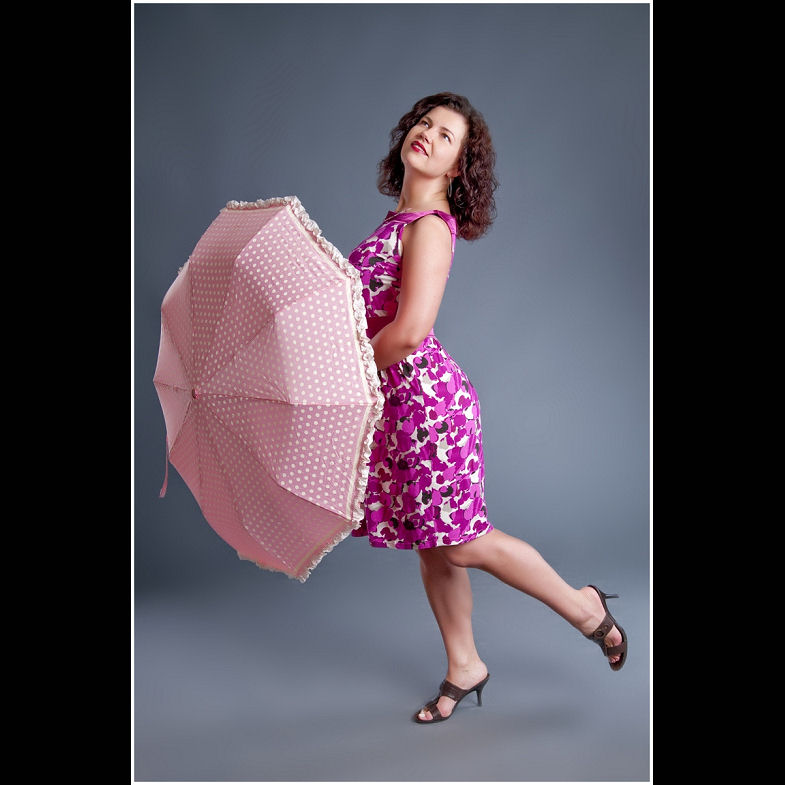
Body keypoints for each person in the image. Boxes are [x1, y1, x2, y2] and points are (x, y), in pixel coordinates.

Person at [346, 92, 627, 724]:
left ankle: (584, 607)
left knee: (464, 542)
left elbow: (410, 332)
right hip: (396, 407)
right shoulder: (395, 222)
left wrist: (347, 368)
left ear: (457, 168)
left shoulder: (429, 228)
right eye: (423, 123)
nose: (427, 134)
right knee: (432, 543)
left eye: (445, 136)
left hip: (427, 408)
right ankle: (465, 664)